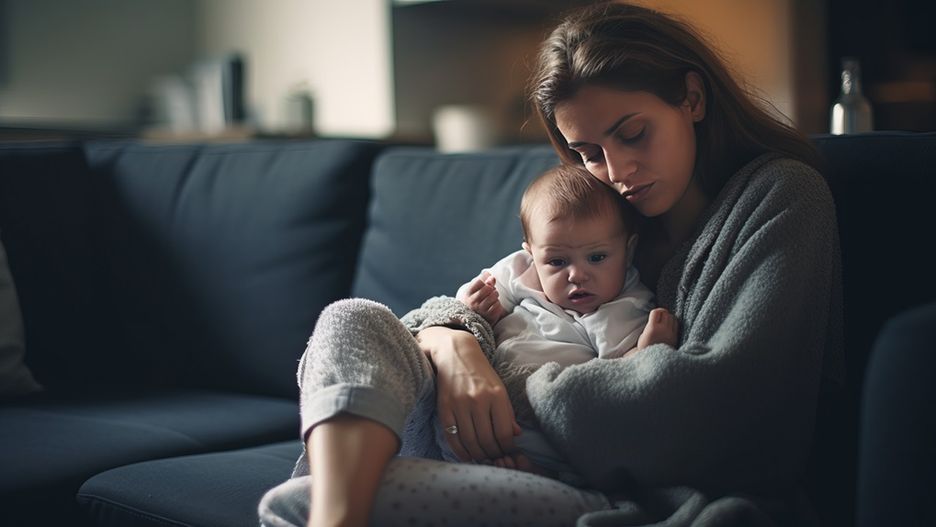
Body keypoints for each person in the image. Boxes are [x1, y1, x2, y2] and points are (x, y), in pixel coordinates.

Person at [259, 2, 843, 526]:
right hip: (466, 438)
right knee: (350, 317)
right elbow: (499, 291)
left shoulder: (780, 195)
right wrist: (451, 338)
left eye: (633, 134)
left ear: (691, 98)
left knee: (295, 504)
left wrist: (498, 380)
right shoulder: (598, 211)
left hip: (607, 488)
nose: (616, 171)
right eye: (589, 153)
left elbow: (702, 410)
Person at [456, 164, 677, 478]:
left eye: (597, 257)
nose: (577, 275)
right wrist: (476, 303)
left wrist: (647, 350)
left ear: (627, 252)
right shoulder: (518, 271)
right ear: (531, 253)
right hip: (485, 396)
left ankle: (545, 469)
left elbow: (620, 379)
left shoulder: (626, 303)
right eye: (557, 261)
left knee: (586, 432)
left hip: (550, 411)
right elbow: (464, 307)